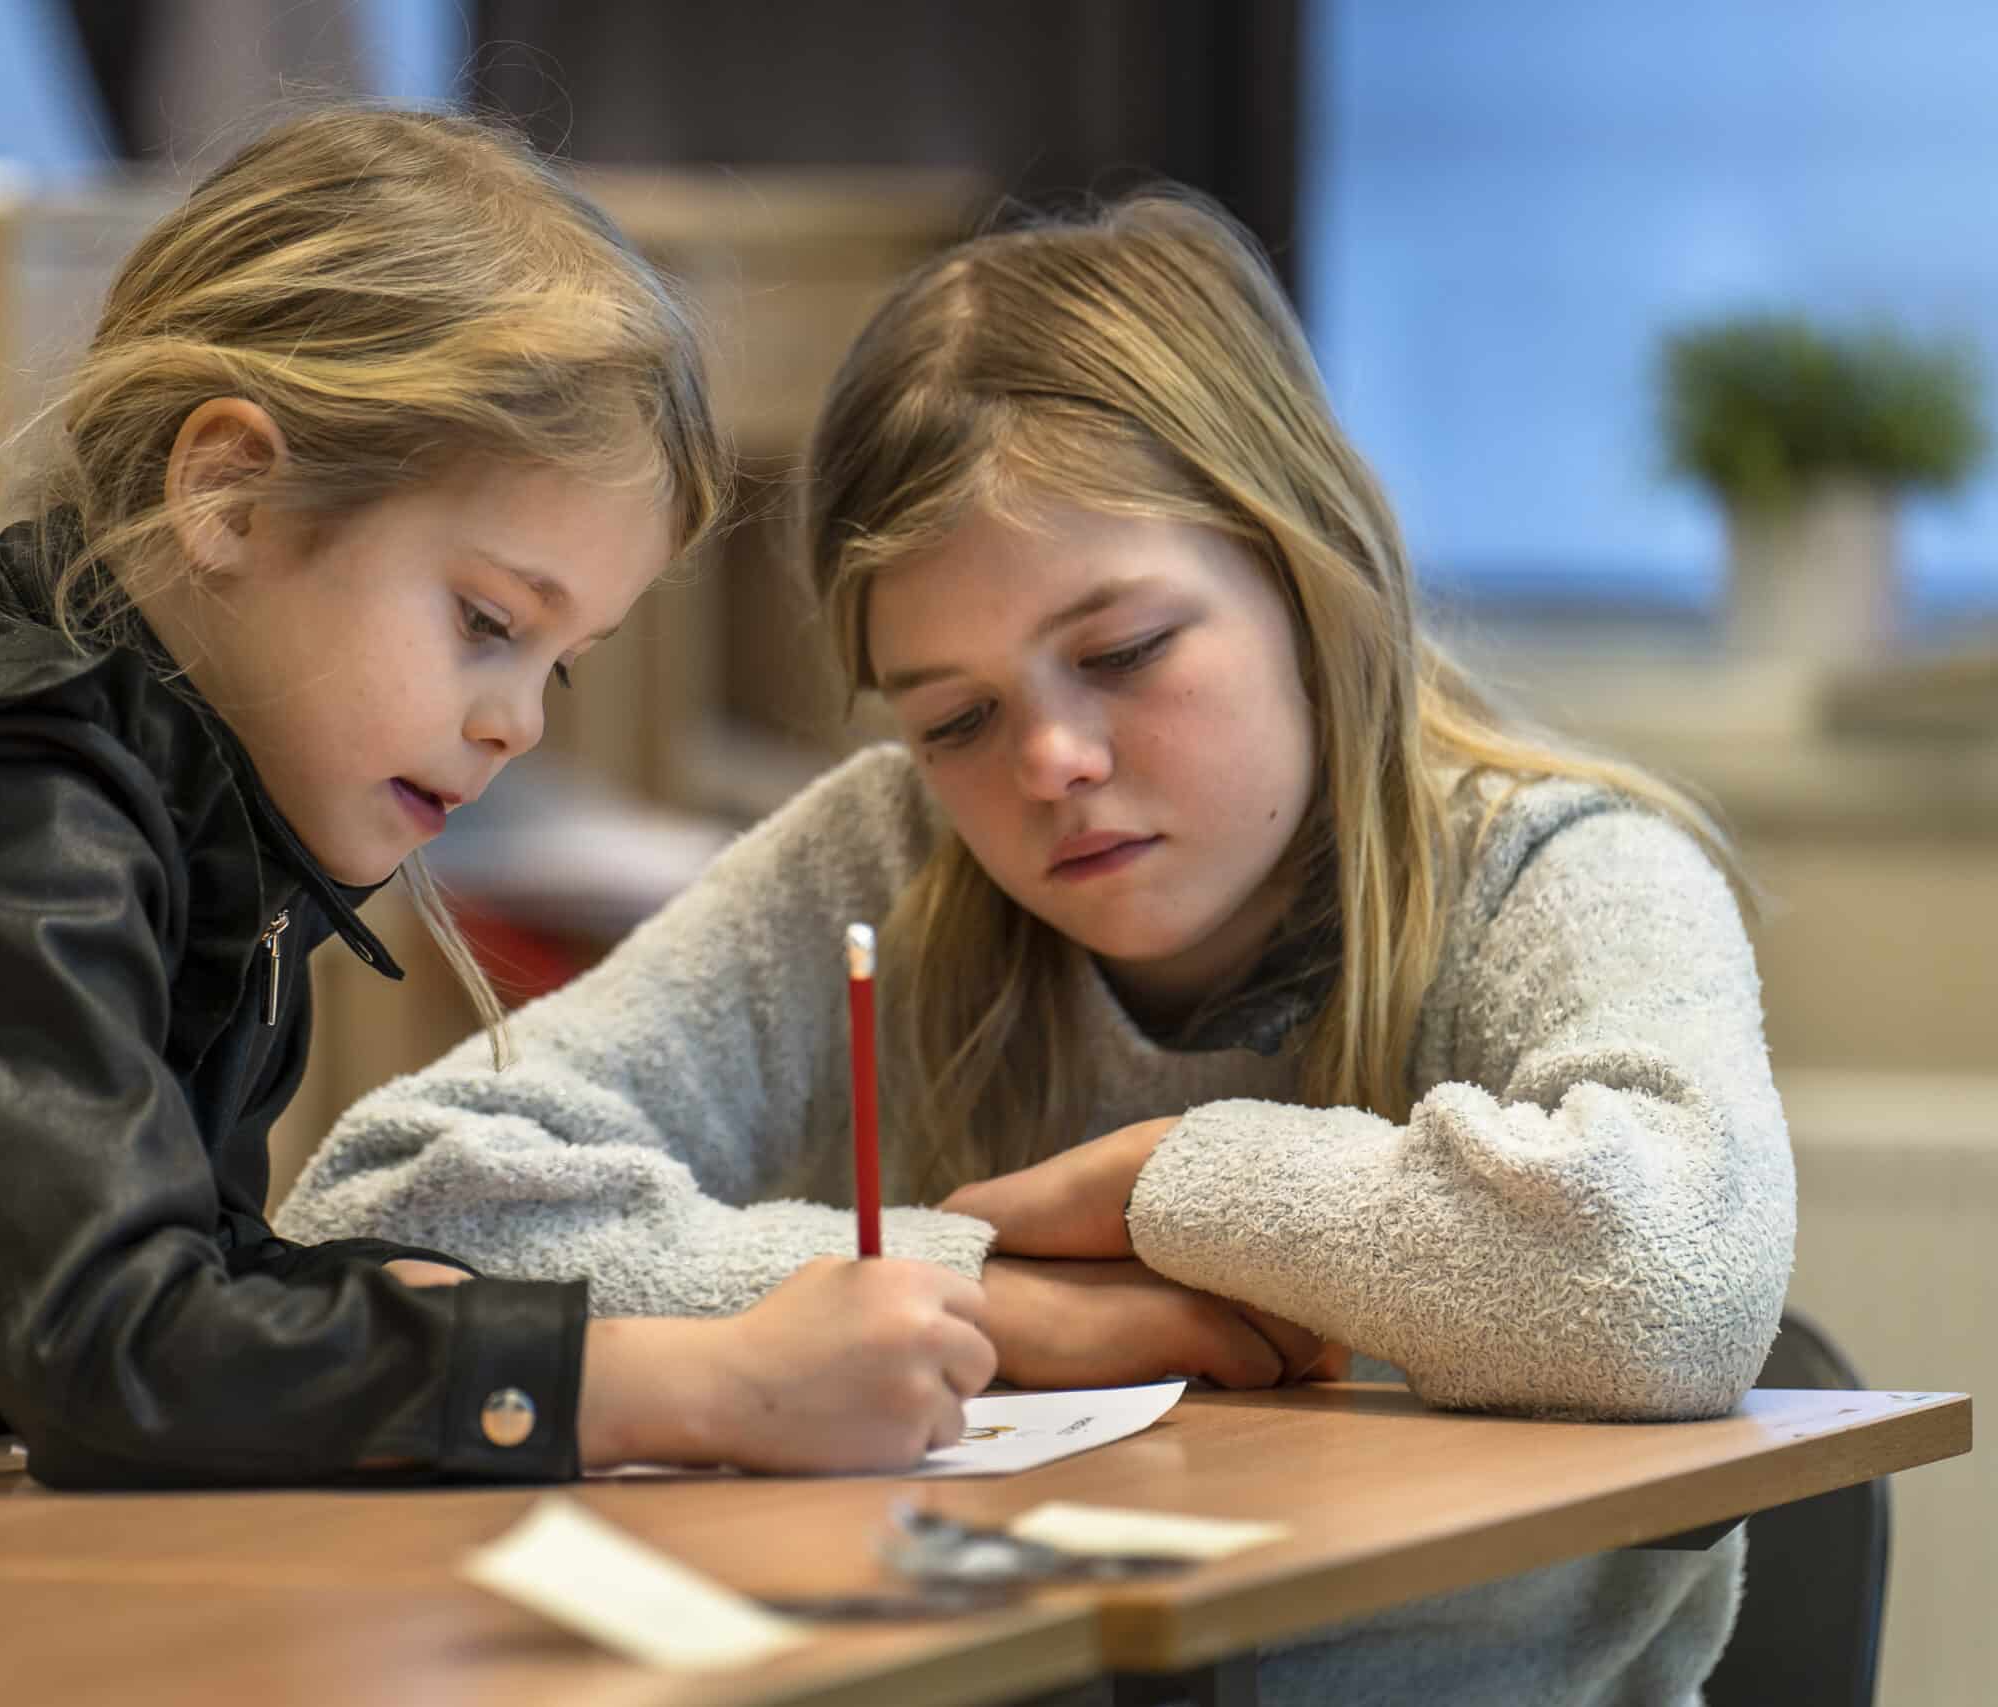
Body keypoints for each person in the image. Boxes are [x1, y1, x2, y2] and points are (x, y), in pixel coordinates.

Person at [278, 191, 1796, 1701]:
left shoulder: (1561, 870)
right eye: (956, 717)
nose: (1051, 760)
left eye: (1125, 651)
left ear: (1309, 565)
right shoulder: (889, 858)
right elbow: (388, 1206)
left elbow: (1671, 1281)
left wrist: (1168, 1179)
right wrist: (989, 1305)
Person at [0, 106, 996, 1522]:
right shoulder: (6, 795)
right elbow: (116, 1344)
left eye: (561, 668)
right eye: (484, 622)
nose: (516, 721)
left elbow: (214, 1281)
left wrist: (601, 1345)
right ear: (233, 499)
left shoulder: (209, 824)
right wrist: (697, 1392)